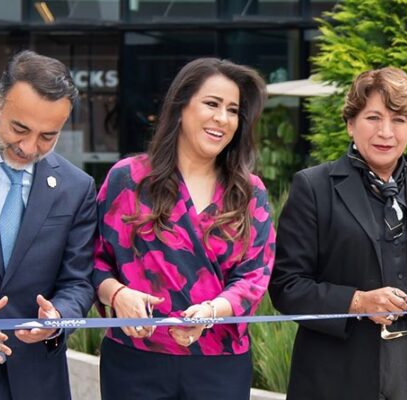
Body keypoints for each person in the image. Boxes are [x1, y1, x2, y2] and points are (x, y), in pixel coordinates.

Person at [269, 67, 407, 400]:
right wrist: (357, 302)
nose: (386, 132)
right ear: (350, 123)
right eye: (373, 118)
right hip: (339, 373)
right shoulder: (313, 187)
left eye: (399, 120)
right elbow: (287, 286)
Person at [92, 57, 275, 400]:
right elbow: (92, 259)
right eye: (212, 104)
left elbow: (255, 277)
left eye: (233, 110)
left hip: (219, 365)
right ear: (180, 107)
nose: (222, 118)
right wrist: (117, 295)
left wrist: (210, 312)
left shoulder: (250, 193)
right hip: (134, 361)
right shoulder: (128, 179)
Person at [0, 50, 96, 399]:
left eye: (48, 136)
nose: (29, 148)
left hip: (36, 380)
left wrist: (56, 318)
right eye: (20, 129)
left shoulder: (77, 188)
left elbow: (78, 281)